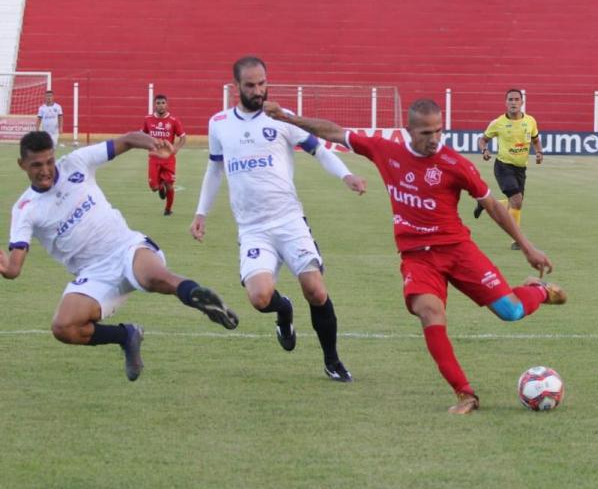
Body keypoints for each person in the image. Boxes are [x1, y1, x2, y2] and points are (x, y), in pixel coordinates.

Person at [264, 98, 566, 415]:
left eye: (438, 130)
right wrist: (289, 117)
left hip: (458, 251)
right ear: (408, 131)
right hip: (418, 257)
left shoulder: (455, 163)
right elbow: (336, 133)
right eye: (425, 132)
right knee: (429, 312)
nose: (433, 138)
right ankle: (466, 394)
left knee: (511, 312)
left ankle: (538, 290)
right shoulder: (386, 150)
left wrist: (528, 246)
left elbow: (492, 206)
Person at [0, 131, 239, 381]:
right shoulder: (24, 209)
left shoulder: (76, 162)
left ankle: (201, 299)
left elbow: (128, 139)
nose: (46, 170)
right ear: (22, 165)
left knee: (155, 278)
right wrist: (7, 268)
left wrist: (154, 144)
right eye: (37, 165)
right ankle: (126, 336)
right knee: (64, 327)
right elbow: (15, 266)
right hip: (94, 275)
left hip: (126, 248)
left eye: (49, 161)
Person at [189, 56, 366, 382]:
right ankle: (283, 311)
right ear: (236, 87)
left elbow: (319, 149)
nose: (258, 91)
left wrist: (346, 175)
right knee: (259, 298)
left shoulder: (282, 119)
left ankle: (332, 360)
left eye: (262, 84)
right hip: (253, 228)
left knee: (315, 289)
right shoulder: (219, 124)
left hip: (289, 221)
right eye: (250, 85)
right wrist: (201, 212)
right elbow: (215, 168)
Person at [473, 89, 543, 250]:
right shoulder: (498, 123)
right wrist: (484, 150)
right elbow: (482, 139)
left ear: (522, 102)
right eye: (510, 99)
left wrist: (539, 152)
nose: (513, 102)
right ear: (506, 102)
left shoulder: (530, 121)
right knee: (517, 200)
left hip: (520, 168)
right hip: (503, 166)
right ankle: (517, 240)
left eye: (516, 99)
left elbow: (536, 140)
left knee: (516, 204)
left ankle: (486, 202)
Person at [142, 94, 186, 216]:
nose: (160, 105)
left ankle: (168, 209)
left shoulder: (173, 121)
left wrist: (175, 149)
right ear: (154, 105)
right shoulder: (148, 119)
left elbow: (183, 137)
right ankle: (160, 187)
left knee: (170, 185)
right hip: (154, 158)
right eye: (158, 103)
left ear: (166, 104)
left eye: (163, 103)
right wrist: (146, 144)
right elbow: (143, 135)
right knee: (154, 187)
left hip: (168, 159)